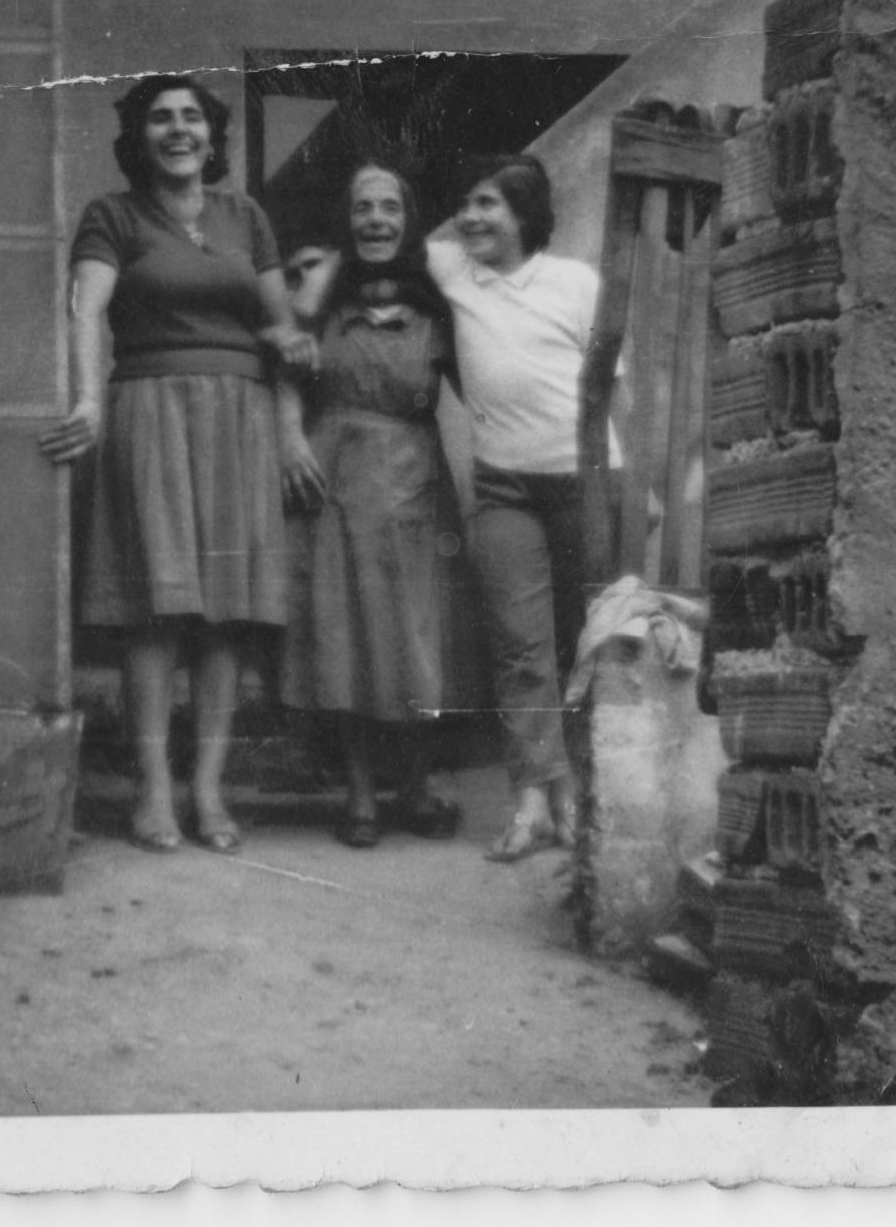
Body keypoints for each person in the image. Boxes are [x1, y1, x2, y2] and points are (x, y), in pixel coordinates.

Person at [39, 74, 317, 855]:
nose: (178, 130)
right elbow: (86, 307)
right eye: (160, 118)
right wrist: (88, 398)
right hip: (152, 410)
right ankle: (154, 789)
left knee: (226, 613)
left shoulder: (245, 216)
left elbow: (282, 332)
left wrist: (291, 429)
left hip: (241, 421)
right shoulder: (113, 215)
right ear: (140, 136)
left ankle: (209, 787)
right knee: (155, 612)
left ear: (211, 134)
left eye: (192, 117)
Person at [426, 154, 615, 862]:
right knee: (519, 644)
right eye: (464, 204)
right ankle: (534, 800)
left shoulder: (575, 282)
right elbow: (385, 238)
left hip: (584, 480)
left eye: (488, 204)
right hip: (503, 486)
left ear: (524, 213)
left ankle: (581, 797)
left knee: (587, 642)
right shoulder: (453, 272)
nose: (469, 218)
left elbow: (610, 387)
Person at [278, 164, 465, 849]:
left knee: (417, 637)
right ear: (346, 221)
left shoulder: (439, 309)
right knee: (347, 635)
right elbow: (283, 369)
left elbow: (486, 385)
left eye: (390, 207)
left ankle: (414, 785)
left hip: (414, 477)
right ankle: (359, 792)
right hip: (335, 479)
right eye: (363, 207)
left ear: (409, 223)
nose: (376, 219)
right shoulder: (318, 304)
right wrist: (289, 435)